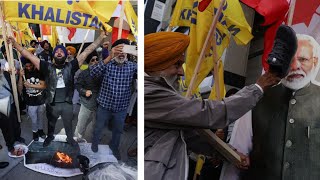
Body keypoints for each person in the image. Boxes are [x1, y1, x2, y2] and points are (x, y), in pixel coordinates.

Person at [144, 32, 280, 180]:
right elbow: (206, 114)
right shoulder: (148, 92)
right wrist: (258, 88)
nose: (181, 72)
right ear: (156, 64)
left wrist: (228, 153)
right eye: (176, 65)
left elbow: (189, 135)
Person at [232, 34, 320, 180]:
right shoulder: (256, 97)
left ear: (315, 62)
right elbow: (237, 155)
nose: (294, 66)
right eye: (289, 60)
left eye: (302, 59)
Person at [7, 31, 108, 147]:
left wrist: (100, 37)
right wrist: (15, 43)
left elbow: (87, 51)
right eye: (57, 51)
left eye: (62, 51)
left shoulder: (72, 65)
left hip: (67, 103)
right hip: (52, 102)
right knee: (51, 123)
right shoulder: (46, 66)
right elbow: (28, 55)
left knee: (68, 123)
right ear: (54, 55)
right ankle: (50, 137)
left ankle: (70, 139)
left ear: (65, 55)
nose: (59, 52)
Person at [90, 39, 137, 160]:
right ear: (113, 51)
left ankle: (114, 147)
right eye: (118, 50)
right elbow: (93, 73)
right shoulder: (107, 64)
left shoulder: (133, 67)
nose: (121, 53)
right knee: (98, 128)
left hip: (121, 108)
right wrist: (108, 57)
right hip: (104, 105)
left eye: (124, 50)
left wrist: (139, 55)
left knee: (118, 130)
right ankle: (94, 144)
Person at [74, 51, 101, 142]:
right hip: (86, 103)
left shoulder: (102, 72)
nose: (95, 62)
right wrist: (84, 91)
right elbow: (78, 85)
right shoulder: (84, 73)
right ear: (89, 62)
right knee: (81, 126)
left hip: (99, 104)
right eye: (92, 60)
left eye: (97, 59)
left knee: (96, 126)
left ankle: (94, 142)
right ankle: (77, 142)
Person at [0, 63, 25, 156]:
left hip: (11, 101)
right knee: (6, 127)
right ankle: (10, 146)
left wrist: (18, 73)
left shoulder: (5, 74)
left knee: (15, 122)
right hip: (2, 105)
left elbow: (14, 80)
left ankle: (17, 137)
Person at [18, 59, 47, 141]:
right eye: (26, 66)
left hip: (41, 100)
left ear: (33, 64)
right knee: (33, 119)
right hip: (30, 102)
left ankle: (40, 130)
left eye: (30, 65)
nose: (29, 68)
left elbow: (44, 86)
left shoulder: (39, 72)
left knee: (41, 117)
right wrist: (20, 77)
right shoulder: (23, 73)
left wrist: (30, 85)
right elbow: (20, 89)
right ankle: (35, 132)